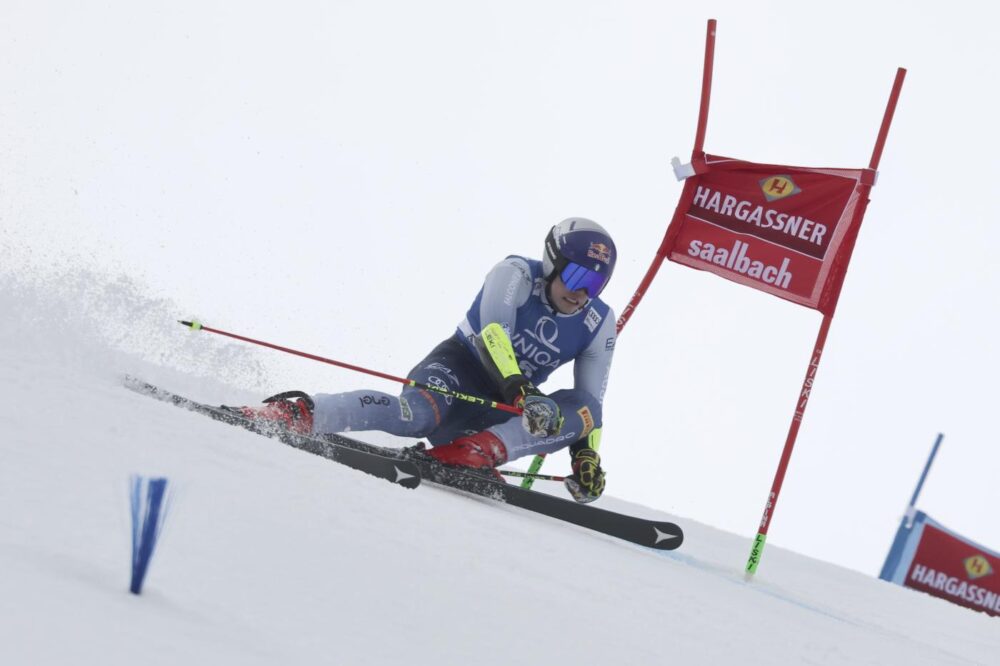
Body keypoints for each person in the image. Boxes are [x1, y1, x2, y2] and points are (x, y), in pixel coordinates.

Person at [235, 218, 617, 503]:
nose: (582, 293)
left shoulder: (599, 323)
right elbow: (492, 335)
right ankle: (300, 413)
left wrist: (585, 454)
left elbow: (589, 405)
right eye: (577, 276)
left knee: (587, 409)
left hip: (500, 411)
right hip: (459, 371)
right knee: (415, 416)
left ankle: (475, 452)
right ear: (552, 262)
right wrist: (521, 390)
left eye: (595, 284)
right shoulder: (515, 273)